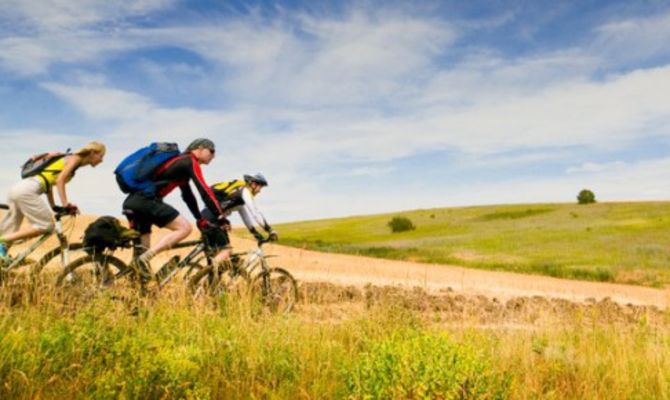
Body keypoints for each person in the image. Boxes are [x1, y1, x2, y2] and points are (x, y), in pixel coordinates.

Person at [122, 138, 223, 276]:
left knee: (141, 255)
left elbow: (188, 196)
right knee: (185, 228)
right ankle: (143, 260)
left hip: (134, 202)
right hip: (146, 201)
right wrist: (220, 215)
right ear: (200, 148)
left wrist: (199, 218)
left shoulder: (179, 163)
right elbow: (204, 190)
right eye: (211, 151)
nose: (213, 156)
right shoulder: (189, 161)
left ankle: (136, 278)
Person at [0, 141, 106, 259]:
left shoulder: (70, 160)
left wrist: (54, 206)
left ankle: (2, 256)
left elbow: (49, 184)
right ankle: (1, 241)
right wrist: (66, 204)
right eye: (101, 156)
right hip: (26, 191)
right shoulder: (75, 159)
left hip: (18, 188)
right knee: (45, 226)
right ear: (92, 152)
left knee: (10, 227)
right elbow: (60, 180)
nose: (102, 160)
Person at [200, 173, 278, 268]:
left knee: (220, 254)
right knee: (227, 250)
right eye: (260, 187)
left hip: (209, 217)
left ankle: (211, 275)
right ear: (254, 184)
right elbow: (255, 213)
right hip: (212, 219)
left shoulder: (239, 196)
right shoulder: (245, 192)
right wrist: (270, 230)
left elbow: (246, 217)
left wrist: (255, 233)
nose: (259, 191)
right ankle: (206, 271)